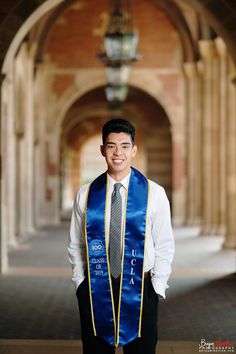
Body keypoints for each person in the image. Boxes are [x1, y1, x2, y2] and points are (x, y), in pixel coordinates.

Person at [68, 118, 175, 354]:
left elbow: (165, 243)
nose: (118, 153)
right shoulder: (86, 194)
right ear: (102, 150)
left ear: (134, 150)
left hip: (141, 286)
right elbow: (76, 243)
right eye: (111, 145)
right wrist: (80, 283)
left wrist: (157, 287)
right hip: (96, 287)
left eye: (125, 146)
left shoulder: (154, 193)